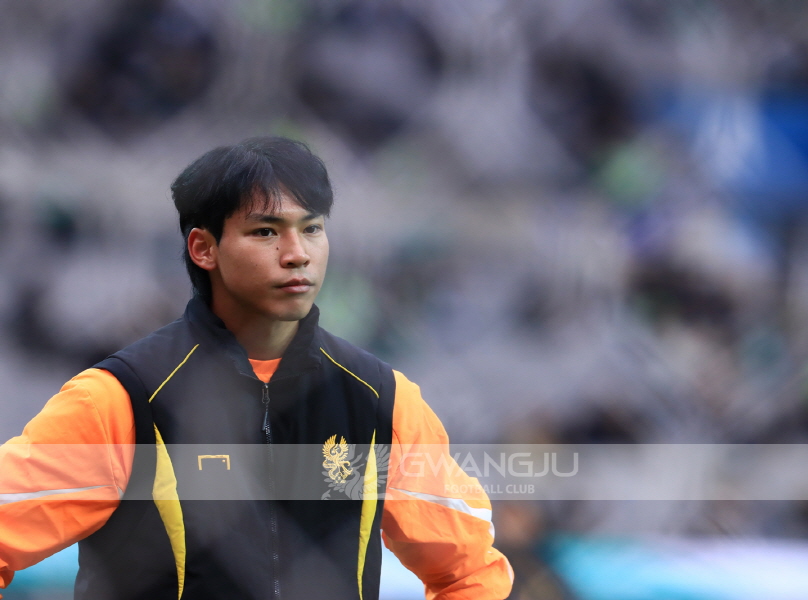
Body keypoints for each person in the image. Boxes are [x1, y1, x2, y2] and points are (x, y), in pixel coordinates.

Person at [0, 137, 513, 599]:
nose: (297, 254)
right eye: (266, 231)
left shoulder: (381, 399)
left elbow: (470, 572)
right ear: (204, 248)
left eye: (311, 229)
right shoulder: (120, 398)